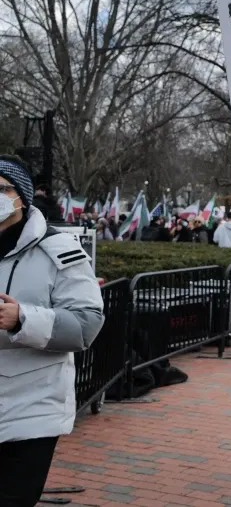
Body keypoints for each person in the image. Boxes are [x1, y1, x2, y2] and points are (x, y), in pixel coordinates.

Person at [0, 156, 105, 507]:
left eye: (2, 189)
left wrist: (22, 320)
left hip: (30, 412)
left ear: (22, 197)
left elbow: (86, 324)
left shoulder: (58, 250)